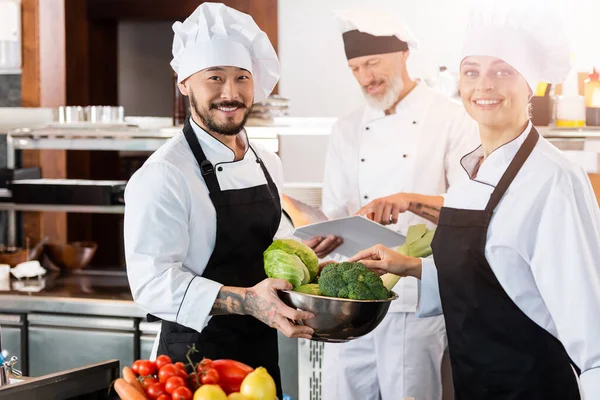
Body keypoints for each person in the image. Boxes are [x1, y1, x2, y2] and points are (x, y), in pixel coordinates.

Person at [351, 2, 600, 398]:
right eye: (472, 72)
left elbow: (591, 325)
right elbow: (494, 278)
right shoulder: (469, 174)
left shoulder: (554, 180)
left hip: (535, 387)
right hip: (475, 383)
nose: (484, 85)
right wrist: (412, 266)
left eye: (502, 71)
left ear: (530, 84)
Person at [123, 4, 313, 398]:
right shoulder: (165, 174)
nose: (231, 93)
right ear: (185, 83)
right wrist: (246, 301)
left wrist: (307, 261)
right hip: (192, 365)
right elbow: (151, 284)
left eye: (242, 78)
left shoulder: (266, 161)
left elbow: (270, 247)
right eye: (215, 78)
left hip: (260, 355)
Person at [304, 8, 479, 400]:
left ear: (402, 55)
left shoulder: (452, 120)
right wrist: (322, 234)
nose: (365, 78)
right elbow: (336, 209)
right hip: (348, 298)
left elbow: (472, 209)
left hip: (414, 299)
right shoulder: (345, 129)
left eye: (371, 63)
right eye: (355, 69)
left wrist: (409, 201)